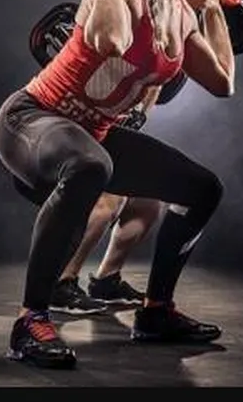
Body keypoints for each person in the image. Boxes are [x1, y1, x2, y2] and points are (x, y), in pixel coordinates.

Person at [0, 0, 235, 369]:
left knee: (202, 188)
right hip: (33, 119)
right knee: (89, 167)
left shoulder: (182, 10)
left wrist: (212, 12)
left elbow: (222, 81)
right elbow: (108, 40)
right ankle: (30, 319)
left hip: (92, 134)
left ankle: (156, 311)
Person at [47, 87, 165, 315]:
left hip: (110, 135)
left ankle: (106, 282)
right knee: (110, 200)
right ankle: (59, 284)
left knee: (148, 202)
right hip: (71, 136)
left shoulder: (167, 68)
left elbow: (157, 90)